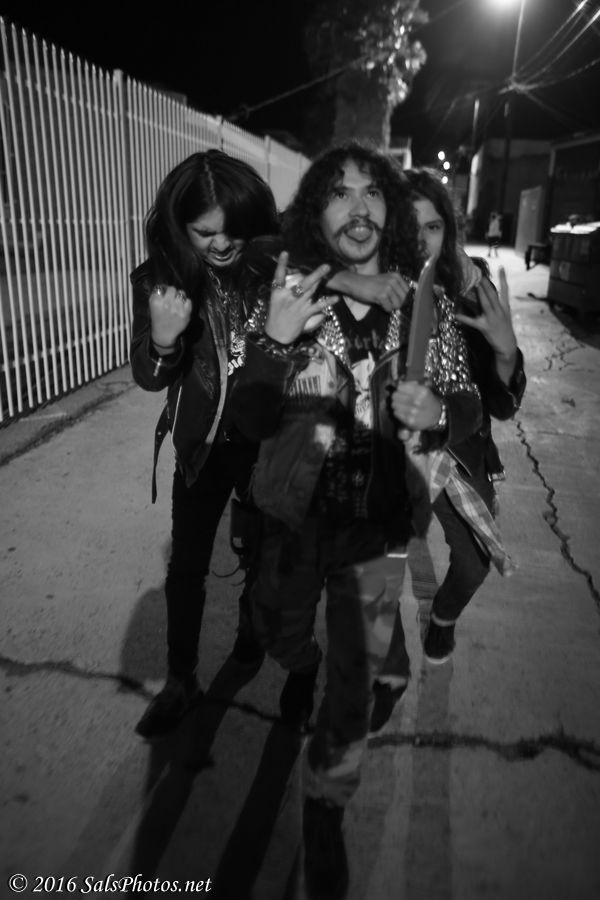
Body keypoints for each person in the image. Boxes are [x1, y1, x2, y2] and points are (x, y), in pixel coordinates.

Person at [230, 141, 483, 899]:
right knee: (276, 630)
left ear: (391, 210)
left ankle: (325, 809)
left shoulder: (424, 304)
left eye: (373, 191)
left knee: (352, 691)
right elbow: (248, 417)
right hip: (291, 519)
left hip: (375, 532)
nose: (359, 205)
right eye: (339, 192)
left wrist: (441, 414)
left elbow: (468, 403)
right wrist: (273, 343)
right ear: (316, 211)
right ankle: (302, 663)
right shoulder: (290, 293)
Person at [129, 149, 281, 740]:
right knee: (187, 567)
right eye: (205, 232)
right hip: (203, 447)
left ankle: (251, 633)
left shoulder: (274, 267)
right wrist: (164, 340)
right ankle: (180, 679)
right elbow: (150, 377)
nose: (221, 244)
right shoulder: (160, 279)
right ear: (179, 226)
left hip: (268, 440)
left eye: (233, 230)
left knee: (264, 554)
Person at [402, 168, 526, 666]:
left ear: (448, 230)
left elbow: (501, 405)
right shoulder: (368, 291)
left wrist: (505, 352)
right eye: (406, 226)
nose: (419, 240)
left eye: (432, 226)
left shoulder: (472, 289)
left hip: (457, 453)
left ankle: (442, 618)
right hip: (386, 453)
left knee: (474, 563)